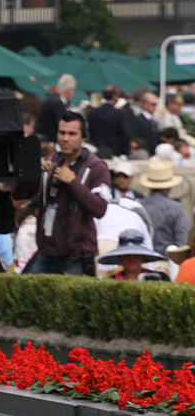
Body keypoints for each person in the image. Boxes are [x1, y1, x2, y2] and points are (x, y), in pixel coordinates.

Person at [28, 111, 110, 275]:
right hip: (46, 251)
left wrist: (73, 182)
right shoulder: (49, 162)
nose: (65, 139)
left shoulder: (97, 167)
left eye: (72, 134)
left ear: (83, 138)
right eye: (62, 133)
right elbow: (20, 196)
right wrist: (31, 173)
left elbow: (100, 209)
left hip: (77, 256)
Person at [138, 161, 190, 257]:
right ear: (169, 187)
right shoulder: (177, 208)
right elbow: (182, 243)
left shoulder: (138, 206)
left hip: (141, 262)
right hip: (168, 263)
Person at [97, 229, 169, 281]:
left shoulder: (160, 278)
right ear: (119, 257)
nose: (131, 258)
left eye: (136, 254)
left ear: (143, 256)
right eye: (126, 254)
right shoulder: (110, 282)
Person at [87, 85, 131, 157]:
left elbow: (90, 132)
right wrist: (124, 152)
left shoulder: (93, 113)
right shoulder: (120, 114)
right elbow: (126, 134)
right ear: (114, 96)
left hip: (97, 151)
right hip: (116, 152)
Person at [37, 74, 75, 143]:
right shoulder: (58, 103)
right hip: (52, 141)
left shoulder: (50, 99)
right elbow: (63, 124)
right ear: (70, 90)